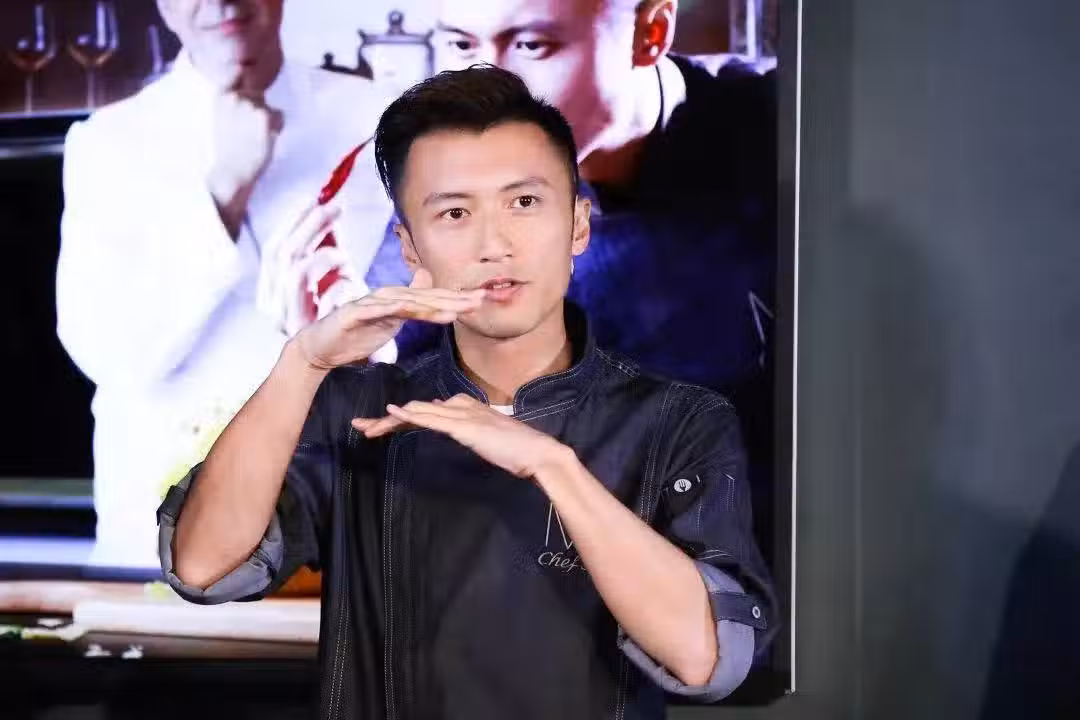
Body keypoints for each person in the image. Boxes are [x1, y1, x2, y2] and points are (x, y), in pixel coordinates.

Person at [158, 65, 776, 719]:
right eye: (455, 213)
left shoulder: (679, 419)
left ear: (578, 225)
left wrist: (551, 465)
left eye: (524, 203)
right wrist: (302, 361)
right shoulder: (359, 410)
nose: (494, 244)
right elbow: (203, 567)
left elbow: (708, 658)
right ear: (410, 247)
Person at [364, 0, 779, 556]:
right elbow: (397, 386)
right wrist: (353, 350)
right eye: (463, 45)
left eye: (532, 46)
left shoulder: (791, 133)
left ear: (651, 32)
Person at [56, 0, 395, 569]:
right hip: (155, 543)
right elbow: (111, 354)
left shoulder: (380, 120)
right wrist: (222, 196)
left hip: (340, 535)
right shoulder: (107, 143)